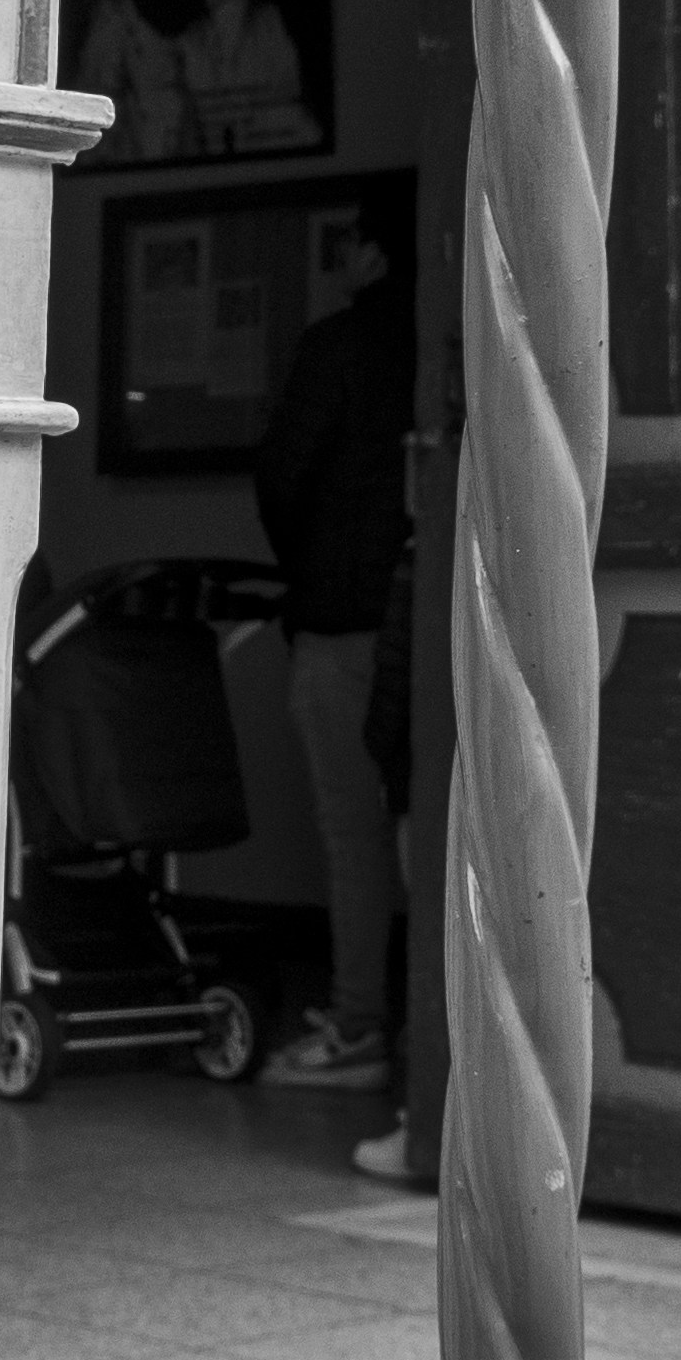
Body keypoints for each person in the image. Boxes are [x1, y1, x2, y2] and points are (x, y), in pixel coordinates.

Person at [250, 203, 417, 1089]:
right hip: (437, 614)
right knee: (432, 828)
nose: (337, 258)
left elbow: (284, 477)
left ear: (375, 253)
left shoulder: (338, 346)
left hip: (344, 618)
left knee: (354, 833)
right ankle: (437, 1040)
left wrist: (311, 566)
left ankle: (359, 1023)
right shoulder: (453, 338)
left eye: (347, 242)